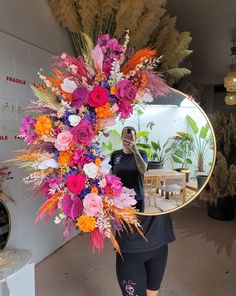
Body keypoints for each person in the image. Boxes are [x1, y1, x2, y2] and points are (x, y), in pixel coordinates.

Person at [109, 126, 176, 296]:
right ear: (121, 136)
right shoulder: (115, 156)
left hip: (139, 200)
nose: (127, 137)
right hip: (122, 207)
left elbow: (143, 169)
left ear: (136, 137)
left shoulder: (141, 154)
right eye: (125, 134)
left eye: (131, 135)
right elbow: (110, 177)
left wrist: (135, 149)